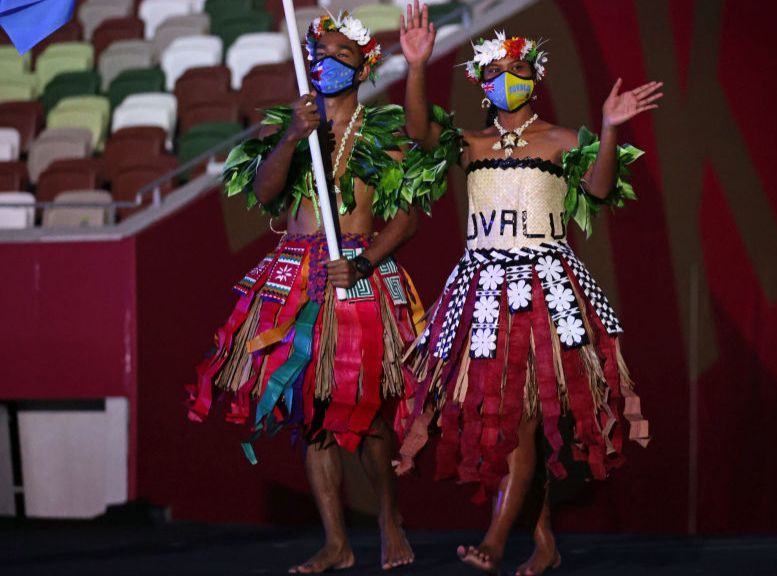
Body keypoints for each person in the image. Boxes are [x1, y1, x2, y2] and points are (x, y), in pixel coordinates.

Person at [394, 2, 659, 574]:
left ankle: (494, 539)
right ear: (482, 86)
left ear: (535, 79)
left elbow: (600, 186)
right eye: (494, 73)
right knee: (506, 419)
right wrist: (416, 66)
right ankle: (544, 543)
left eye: (517, 71)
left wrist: (611, 128)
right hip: (479, 292)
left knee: (523, 420)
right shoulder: (469, 142)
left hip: (544, 291)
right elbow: (419, 134)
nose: (506, 81)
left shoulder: (562, 139)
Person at [186, 11, 450, 573]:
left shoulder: (383, 133)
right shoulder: (291, 123)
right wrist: (291, 137)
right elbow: (265, 193)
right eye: (317, 53)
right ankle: (336, 541)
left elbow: (407, 220)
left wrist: (364, 265)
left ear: (363, 66)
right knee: (310, 412)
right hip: (295, 275)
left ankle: (387, 517)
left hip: (357, 268)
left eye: (338, 55)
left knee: (365, 408)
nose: (324, 62)